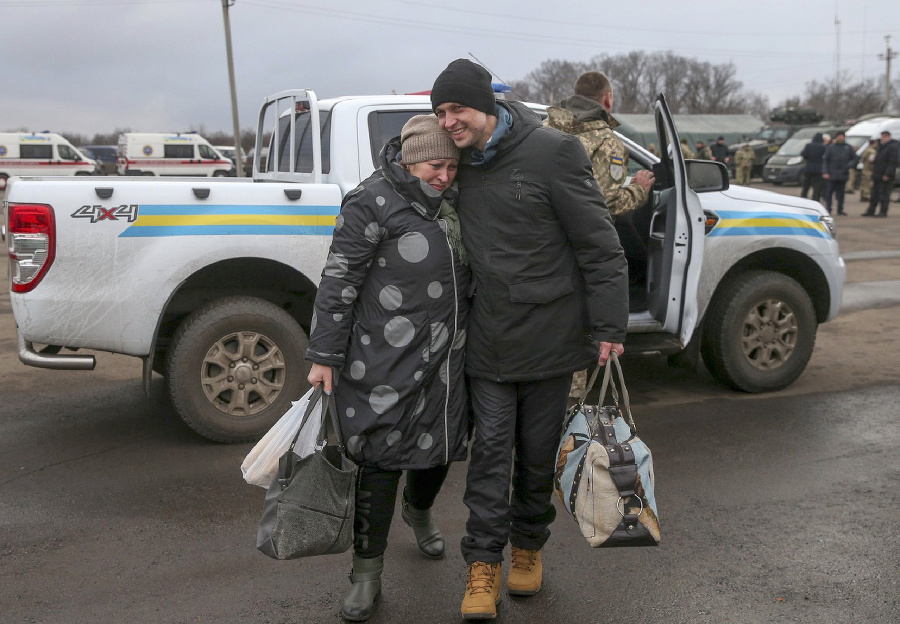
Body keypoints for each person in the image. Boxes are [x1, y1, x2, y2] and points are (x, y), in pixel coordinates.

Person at [430, 59, 628, 620]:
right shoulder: (457, 161)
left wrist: (610, 326)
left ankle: (528, 550)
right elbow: (411, 174)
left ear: (486, 107)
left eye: (457, 109)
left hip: (550, 339)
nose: (449, 121)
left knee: (538, 458)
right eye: (441, 112)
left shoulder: (552, 152)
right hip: (488, 339)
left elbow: (599, 244)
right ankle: (482, 565)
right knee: (491, 454)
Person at [305, 114, 471, 622]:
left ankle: (419, 512)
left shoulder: (454, 203)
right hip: (384, 359)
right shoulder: (370, 201)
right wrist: (324, 355)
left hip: (448, 356)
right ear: (408, 158)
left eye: (451, 166)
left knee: (440, 448)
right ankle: (366, 574)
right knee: (380, 461)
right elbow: (339, 281)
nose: (443, 175)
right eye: (433, 165)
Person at [543, 71, 654, 218]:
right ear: (608, 99)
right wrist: (639, 190)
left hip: (531, 233)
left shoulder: (541, 128)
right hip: (577, 237)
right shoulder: (607, 143)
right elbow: (604, 202)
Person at [863, 130, 900, 217]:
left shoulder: (892, 147)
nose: (883, 138)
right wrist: (874, 161)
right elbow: (880, 159)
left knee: (884, 194)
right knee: (874, 194)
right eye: (882, 136)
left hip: (885, 175)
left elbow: (892, 162)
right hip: (877, 174)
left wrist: (887, 174)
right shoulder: (881, 147)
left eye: (885, 136)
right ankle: (871, 211)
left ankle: (883, 211)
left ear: (889, 137)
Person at [822, 131, 858, 215]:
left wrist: (849, 165)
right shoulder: (831, 147)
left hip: (843, 174)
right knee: (829, 193)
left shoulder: (848, 147)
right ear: (836, 137)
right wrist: (825, 172)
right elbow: (825, 160)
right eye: (839, 136)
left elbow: (855, 159)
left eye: (842, 136)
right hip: (831, 174)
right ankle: (828, 208)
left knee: (841, 194)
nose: (841, 138)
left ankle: (840, 209)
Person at [799, 132, 826, 201]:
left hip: (808, 168)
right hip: (818, 169)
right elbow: (825, 157)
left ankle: (803, 198)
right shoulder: (823, 147)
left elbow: (803, 154)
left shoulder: (808, 145)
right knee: (817, 187)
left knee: (806, 185)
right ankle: (815, 200)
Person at [859, 138, 878, 202]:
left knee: (863, 183)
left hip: (864, 168)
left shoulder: (866, 149)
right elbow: (871, 160)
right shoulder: (872, 151)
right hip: (869, 169)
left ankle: (862, 195)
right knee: (868, 183)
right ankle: (866, 196)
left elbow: (863, 158)